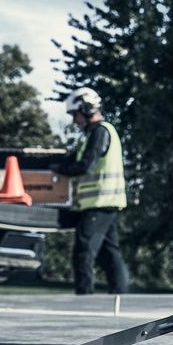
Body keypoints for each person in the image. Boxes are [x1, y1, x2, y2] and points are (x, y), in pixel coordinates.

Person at [56, 86, 130, 295]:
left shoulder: (100, 132)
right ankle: (121, 297)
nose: (74, 120)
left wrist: (60, 170)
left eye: (75, 114)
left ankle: (84, 300)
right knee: (109, 254)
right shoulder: (95, 134)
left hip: (99, 204)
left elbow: (84, 166)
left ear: (86, 109)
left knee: (83, 253)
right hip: (104, 204)